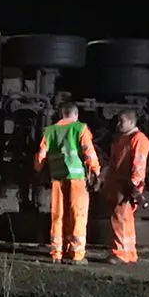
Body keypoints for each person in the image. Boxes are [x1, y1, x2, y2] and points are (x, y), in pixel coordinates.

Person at [34, 101, 99, 264]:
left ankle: (57, 253)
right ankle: (76, 255)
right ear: (76, 114)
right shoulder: (80, 128)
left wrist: (38, 169)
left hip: (57, 178)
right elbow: (88, 152)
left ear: (61, 114)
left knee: (58, 215)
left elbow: (41, 155)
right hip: (77, 178)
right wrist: (96, 170)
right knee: (77, 214)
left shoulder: (50, 130)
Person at [104, 110, 149, 265]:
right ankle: (130, 253)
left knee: (120, 219)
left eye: (122, 121)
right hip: (119, 185)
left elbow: (139, 164)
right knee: (125, 219)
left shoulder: (138, 139)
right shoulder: (121, 139)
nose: (119, 124)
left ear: (132, 122)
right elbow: (113, 164)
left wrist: (134, 186)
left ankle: (120, 253)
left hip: (126, 186)